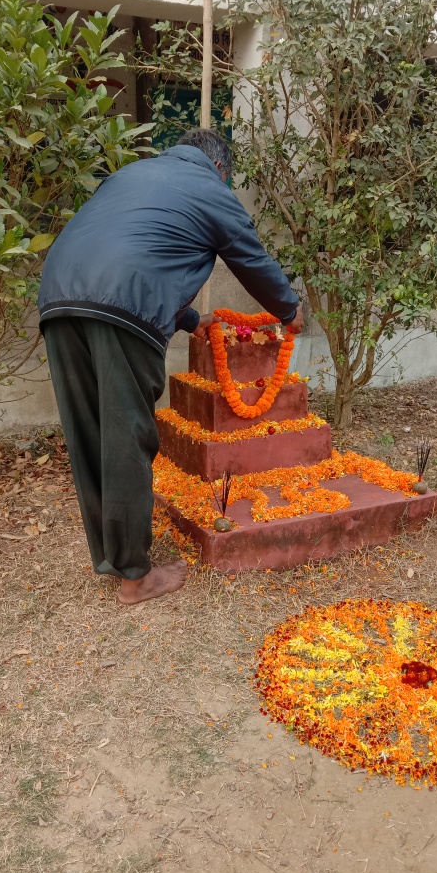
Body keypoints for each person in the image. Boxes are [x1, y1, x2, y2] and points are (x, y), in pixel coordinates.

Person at [38, 129, 304, 605]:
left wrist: (191, 321)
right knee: (126, 435)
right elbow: (250, 258)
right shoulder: (209, 189)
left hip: (58, 298)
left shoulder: (133, 175)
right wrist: (288, 308)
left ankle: (114, 557)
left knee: (90, 432)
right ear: (219, 168)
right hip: (120, 309)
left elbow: (141, 253)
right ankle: (136, 578)